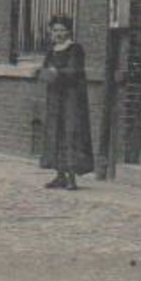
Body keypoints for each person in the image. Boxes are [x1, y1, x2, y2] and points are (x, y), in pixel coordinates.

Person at [36, 16, 94, 189]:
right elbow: (45, 70)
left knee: (70, 133)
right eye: (55, 30)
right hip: (55, 97)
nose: (58, 34)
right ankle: (59, 175)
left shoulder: (75, 49)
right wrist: (43, 72)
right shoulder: (51, 50)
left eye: (62, 30)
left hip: (71, 98)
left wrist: (56, 72)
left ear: (68, 31)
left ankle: (71, 177)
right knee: (55, 133)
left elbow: (75, 71)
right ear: (50, 32)